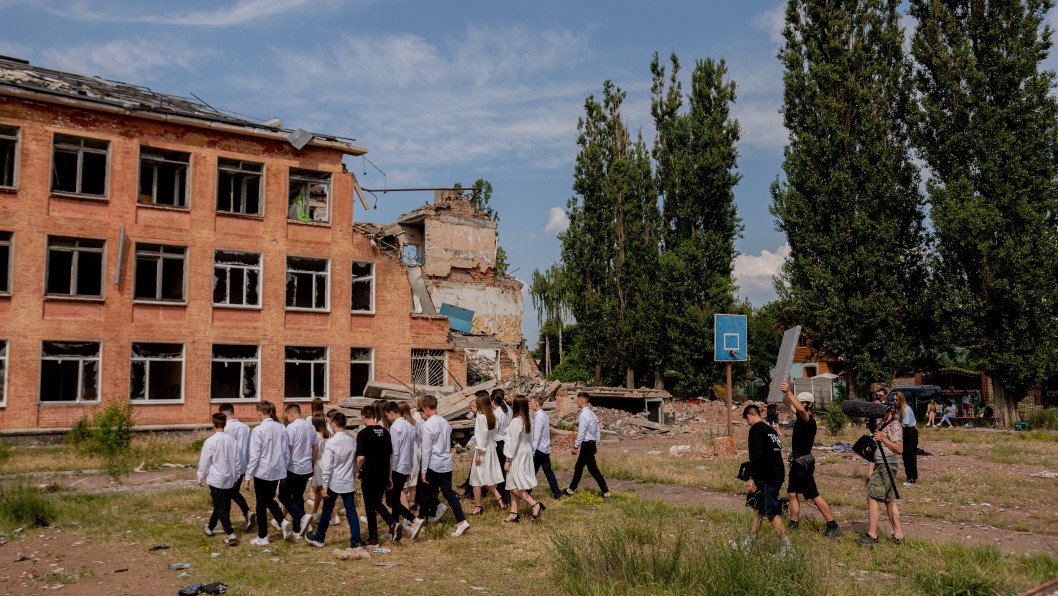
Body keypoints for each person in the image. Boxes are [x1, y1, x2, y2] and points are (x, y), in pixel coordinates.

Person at [780, 384, 840, 537]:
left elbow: (799, 408)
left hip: (803, 464)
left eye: (801, 402)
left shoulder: (808, 419)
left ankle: (832, 524)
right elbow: (788, 402)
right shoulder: (800, 416)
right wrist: (778, 390)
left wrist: (789, 391)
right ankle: (793, 523)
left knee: (813, 494)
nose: (798, 404)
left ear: (809, 404)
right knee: (792, 493)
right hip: (797, 462)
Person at [411, 394, 469, 538]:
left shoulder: (428, 425)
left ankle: (420, 521)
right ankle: (461, 520)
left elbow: (427, 449)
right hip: (446, 462)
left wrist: (423, 471)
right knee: (448, 492)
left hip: (433, 463)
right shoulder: (445, 422)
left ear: (425, 408)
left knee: (425, 492)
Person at [305, 412, 363, 549]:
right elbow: (355, 461)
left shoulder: (331, 443)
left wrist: (324, 485)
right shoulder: (352, 441)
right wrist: (354, 472)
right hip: (348, 480)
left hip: (333, 481)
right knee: (351, 512)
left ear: (333, 425)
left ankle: (319, 537)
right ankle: (356, 541)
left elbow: (327, 466)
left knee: (326, 510)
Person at [738, 404, 790, 554]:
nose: (748, 423)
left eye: (746, 420)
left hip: (767, 477)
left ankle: (787, 549)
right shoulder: (771, 430)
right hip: (777, 475)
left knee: (771, 513)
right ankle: (749, 542)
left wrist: (751, 478)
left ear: (749, 417)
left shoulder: (756, 429)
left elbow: (756, 457)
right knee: (759, 510)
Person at [858, 403, 904, 545]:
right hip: (881, 465)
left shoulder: (894, 425)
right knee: (890, 501)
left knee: (872, 496)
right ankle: (898, 535)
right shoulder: (882, 423)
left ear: (890, 410)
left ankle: (872, 536)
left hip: (887, 465)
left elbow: (899, 449)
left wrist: (883, 438)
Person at [244, 401, 289, 546]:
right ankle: (282, 522)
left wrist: (247, 475)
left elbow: (255, 455)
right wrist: (284, 471)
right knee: (268, 499)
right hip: (277, 469)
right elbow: (286, 451)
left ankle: (263, 535)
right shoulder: (282, 427)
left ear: (260, 413)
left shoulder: (258, 430)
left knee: (261, 503)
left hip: (262, 471)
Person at [198, 412, 241, 546]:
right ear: (225, 423)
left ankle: (231, 533)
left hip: (216, 479)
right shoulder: (232, 441)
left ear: (213, 424)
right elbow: (238, 461)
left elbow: (204, 461)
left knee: (220, 506)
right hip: (229, 478)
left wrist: (200, 476)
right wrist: (236, 476)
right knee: (221, 505)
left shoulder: (210, 441)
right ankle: (210, 527)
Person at [355, 405, 394, 545]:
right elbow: (390, 456)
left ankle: (390, 524)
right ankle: (373, 537)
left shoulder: (363, 434)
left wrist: (356, 471)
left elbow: (360, 458)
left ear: (364, 417)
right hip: (383, 473)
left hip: (369, 474)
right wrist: (389, 476)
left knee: (370, 504)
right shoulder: (385, 432)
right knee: (375, 503)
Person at [279, 403, 318, 541]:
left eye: (287, 416)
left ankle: (302, 516)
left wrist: (282, 468)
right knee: (298, 496)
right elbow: (315, 449)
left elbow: (288, 449)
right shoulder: (311, 427)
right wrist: (312, 465)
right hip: (306, 467)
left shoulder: (291, 427)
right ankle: (297, 530)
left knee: (283, 496)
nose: (288, 419)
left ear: (292, 414)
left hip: (293, 467)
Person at [503, 396, 545, 522]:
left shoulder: (516, 421)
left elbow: (513, 442)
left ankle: (534, 504)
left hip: (517, 453)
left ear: (515, 406)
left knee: (512, 485)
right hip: (525, 451)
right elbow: (531, 439)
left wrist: (508, 459)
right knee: (513, 481)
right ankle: (514, 512)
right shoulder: (528, 420)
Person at [563, 392, 610, 498]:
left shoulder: (583, 415)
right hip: (591, 444)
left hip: (586, 444)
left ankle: (606, 492)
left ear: (581, 401)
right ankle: (571, 490)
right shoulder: (592, 414)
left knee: (591, 469)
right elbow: (598, 431)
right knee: (581, 467)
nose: (576, 402)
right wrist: (596, 444)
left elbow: (582, 432)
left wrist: (576, 446)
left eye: (577, 400)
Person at [382, 401, 418, 537]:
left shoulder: (395, 427)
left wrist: (389, 472)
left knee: (390, 501)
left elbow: (394, 452)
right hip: (406, 466)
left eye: (387, 416)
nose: (388, 419)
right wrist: (409, 470)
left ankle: (412, 519)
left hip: (396, 467)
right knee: (396, 498)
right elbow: (411, 449)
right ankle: (394, 528)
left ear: (391, 413)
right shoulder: (409, 426)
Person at [218, 403, 255, 531]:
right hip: (243, 466)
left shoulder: (225, 428)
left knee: (225, 494)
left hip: (228, 466)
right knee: (232, 492)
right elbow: (250, 449)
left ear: (223, 414)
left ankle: (225, 522)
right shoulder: (245, 427)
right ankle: (246, 514)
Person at [467, 394, 505, 515]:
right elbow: (493, 435)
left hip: (482, 450)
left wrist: (478, 452)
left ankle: (478, 506)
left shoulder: (481, 417)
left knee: (475, 479)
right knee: (486, 477)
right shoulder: (492, 416)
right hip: (490, 448)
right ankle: (499, 497)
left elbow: (481, 437)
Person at [530, 396, 563, 500]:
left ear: (536, 404)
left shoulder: (539, 416)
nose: (530, 405)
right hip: (544, 448)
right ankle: (557, 493)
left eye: (531, 403)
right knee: (548, 472)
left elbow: (537, 434)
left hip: (539, 449)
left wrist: (533, 450)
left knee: (532, 472)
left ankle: (525, 493)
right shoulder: (544, 415)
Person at [309, 415, 338, 525]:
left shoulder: (316, 435)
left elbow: (315, 452)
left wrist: (311, 465)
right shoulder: (329, 433)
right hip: (327, 463)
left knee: (324, 491)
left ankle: (334, 516)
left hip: (320, 464)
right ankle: (314, 512)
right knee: (318, 490)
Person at [492, 389, 512, 504]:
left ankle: (504, 496)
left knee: (501, 471)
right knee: (506, 470)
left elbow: (495, 430)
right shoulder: (508, 409)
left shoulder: (497, 412)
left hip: (500, 444)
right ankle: (506, 494)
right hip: (508, 442)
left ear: (494, 401)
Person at [897, 392, 919, 485]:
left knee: (910, 455)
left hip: (910, 432)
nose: (894, 402)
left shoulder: (906, 409)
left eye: (896, 400)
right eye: (893, 400)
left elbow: (904, 424)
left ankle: (912, 478)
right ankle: (910, 476)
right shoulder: (900, 409)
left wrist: (896, 419)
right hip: (905, 433)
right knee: (905, 455)